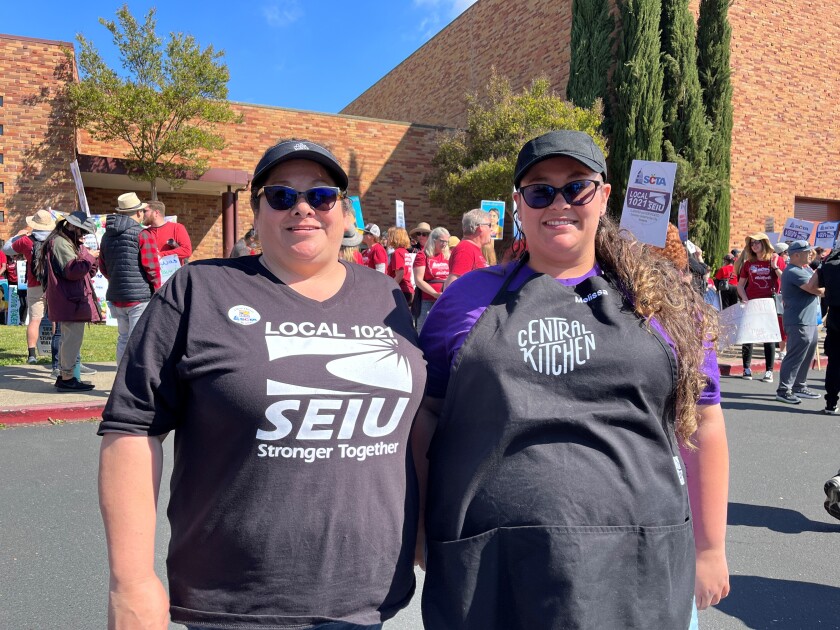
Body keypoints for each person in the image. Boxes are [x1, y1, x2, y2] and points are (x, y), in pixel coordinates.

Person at [97, 138, 425, 630]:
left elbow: (414, 424)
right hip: (237, 602)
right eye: (281, 196)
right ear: (256, 211)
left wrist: (423, 533)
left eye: (320, 196)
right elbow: (132, 430)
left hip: (366, 598)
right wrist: (132, 582)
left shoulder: (383, 295)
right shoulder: (198, 290)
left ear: (342, 209)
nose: (303, 209)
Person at [413, 130, 729, 629]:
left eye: (576, 187)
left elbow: (704, 419)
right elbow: (426, 413)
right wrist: (422, 526)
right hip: (493, 565)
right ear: (519, 203)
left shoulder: (658, 302)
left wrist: (710, 548)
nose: (558, 202)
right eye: (540, 191)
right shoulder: (466, 299)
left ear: (602, 196)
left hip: (638, 561)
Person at [40, 211, 102, 391]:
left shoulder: (66, 241)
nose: (83, 235)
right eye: (81, 231)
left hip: (71, 299)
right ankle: (67, 378)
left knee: (70, 339)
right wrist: (89, 256)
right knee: (71, 340)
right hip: (69, 300)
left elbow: (85, 273)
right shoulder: (60, 242)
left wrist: (91, 258)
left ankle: (65, 377)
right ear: (72, 226)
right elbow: (73, 271)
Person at [99, 192, 162, 364]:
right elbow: (152, 267)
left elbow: (103, 267)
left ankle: (121, 378)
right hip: (139, 296)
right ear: (138, 213)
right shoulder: (142, 234)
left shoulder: (106, 236)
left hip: (116, 295)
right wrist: (158, 289)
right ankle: (132, 384)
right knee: (137, 341)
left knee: (123, 339)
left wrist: (116, 280)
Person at [3, 209, 57, 362]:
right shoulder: (56, 239)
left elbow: (6, 249)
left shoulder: (26, 241)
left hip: (34, 284)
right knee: (55, 319)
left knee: (34, 319)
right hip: (53, 283)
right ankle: (56, 353)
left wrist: (19, 234)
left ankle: (32, 355)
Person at [775, 240, 823, 404]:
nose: (810, 254)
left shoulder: (804, 268)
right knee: (795, 356)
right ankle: (783, 389)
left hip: (808, 320)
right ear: (796, 254)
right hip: (798, 321)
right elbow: (815, 289)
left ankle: (799, 386)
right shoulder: (795, 271)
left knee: (806, 355)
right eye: (807, 252)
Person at [736, 232, 785, 382]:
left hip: (769, 302)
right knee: (748, 335)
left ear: (765, 243)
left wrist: (775, 267)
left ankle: (769, 371)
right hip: (752, 302)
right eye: (752, 243)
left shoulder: (776, 259)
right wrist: (744, 299)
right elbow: (740, 285)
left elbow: (785, 279)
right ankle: (746, 368)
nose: (754, 245)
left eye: (757, 242)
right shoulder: (748, 264)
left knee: (769, 337)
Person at [816, 245, 840, 414]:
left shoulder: (829, 266)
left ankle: (831, 402)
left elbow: (814, 284)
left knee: (834, 363)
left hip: (836, 318)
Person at [413, 227, 450, 332]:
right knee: (424, 331)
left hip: (445, 300)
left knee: (442, 331)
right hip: (427, 300)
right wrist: (435, 294)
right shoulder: (423, 255)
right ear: (433, 240)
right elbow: (418, 280)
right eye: (442, 241)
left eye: (446, 242)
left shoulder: (447, 255)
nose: (444, 244)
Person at [443, 209, 492, 289]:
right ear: (480, 227)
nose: (491, 229)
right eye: (489, 225)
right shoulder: (465, 249)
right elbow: (452, 286)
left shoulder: (471, 248)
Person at [142, 200, 193, 264]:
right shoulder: (144, 233)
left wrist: (161, 255)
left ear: (156, 213)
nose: (142, 214)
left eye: (145, 211)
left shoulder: (177, 228)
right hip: (150, 273)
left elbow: (186, 251)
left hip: (173, 273)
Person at [387, 227, 415, 304]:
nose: (387, 238)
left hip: (400, 290)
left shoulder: (398, 252)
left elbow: (400, 274)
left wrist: (389, 288)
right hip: (408, 289)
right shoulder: (405, 252)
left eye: (389, 236)